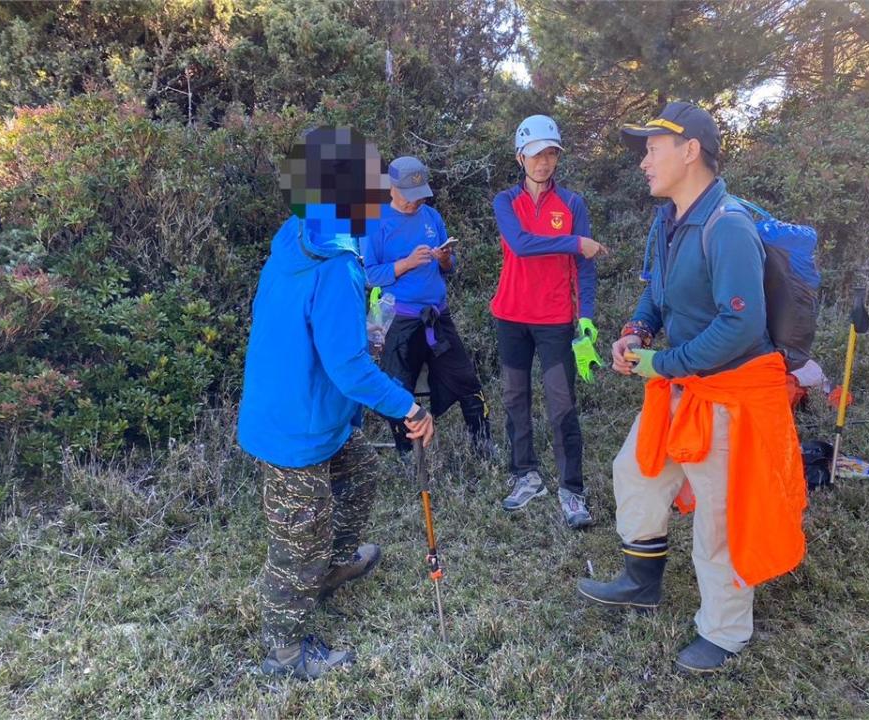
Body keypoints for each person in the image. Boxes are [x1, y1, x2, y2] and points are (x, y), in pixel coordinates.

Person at [576, 102, 806, 672]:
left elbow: (742, 324)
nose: (644, 161)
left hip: (729, 397)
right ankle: (642, 581)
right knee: (638, 471)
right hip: (680, 385)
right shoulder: (671, 219)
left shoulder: (727, 226)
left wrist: (664, 363)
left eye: (653, 148)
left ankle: (725, 632)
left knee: (720, 516)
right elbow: (656, 291)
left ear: (690, 150)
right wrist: (636, 333)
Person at [237, 127, 435, 680]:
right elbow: (349, 369)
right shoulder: (335, 266)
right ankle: (285, 651)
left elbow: (330, 345)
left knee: (361, 472)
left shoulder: (297, 234)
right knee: (298, 538)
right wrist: (409, 408)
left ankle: (334, 566)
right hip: (293, 428)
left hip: (307, 413)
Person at [490, 114, 608, 528]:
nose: (544, 162)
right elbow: (520, 245)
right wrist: (576, 241)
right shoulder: (506, 202)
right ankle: (526, 476)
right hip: (510, 316)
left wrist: (587, 318)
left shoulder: (572, 204)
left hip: (555, 319)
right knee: (514, 397)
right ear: (520, 156)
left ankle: (571, 490)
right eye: (537, 154)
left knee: (562, 403)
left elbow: (586, 268)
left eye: (551, 154)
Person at [362, 155, 493, 463]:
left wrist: (445, 259)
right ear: (391, 188)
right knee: (398, 389)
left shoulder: (431, 217)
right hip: (399, 320)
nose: (415, 202)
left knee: (467, 380)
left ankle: (483, 446)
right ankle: (409, 455)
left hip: (437, 316)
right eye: (409, 195)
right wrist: (406, 264)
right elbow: (369, 274)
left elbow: (449, 268)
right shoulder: (375, 222)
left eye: (420, 195)